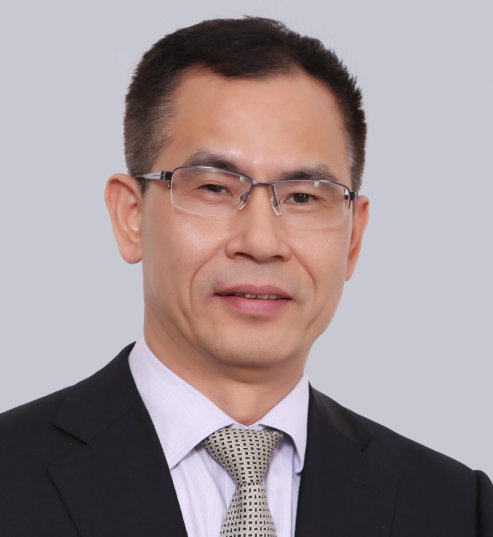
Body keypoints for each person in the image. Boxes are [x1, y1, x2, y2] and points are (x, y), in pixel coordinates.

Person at [0, 16, 491, 537]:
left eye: (303, 196)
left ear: (353, 238)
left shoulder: (459, 510)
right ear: (131, 217)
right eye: (214, 188)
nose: (260, 242)